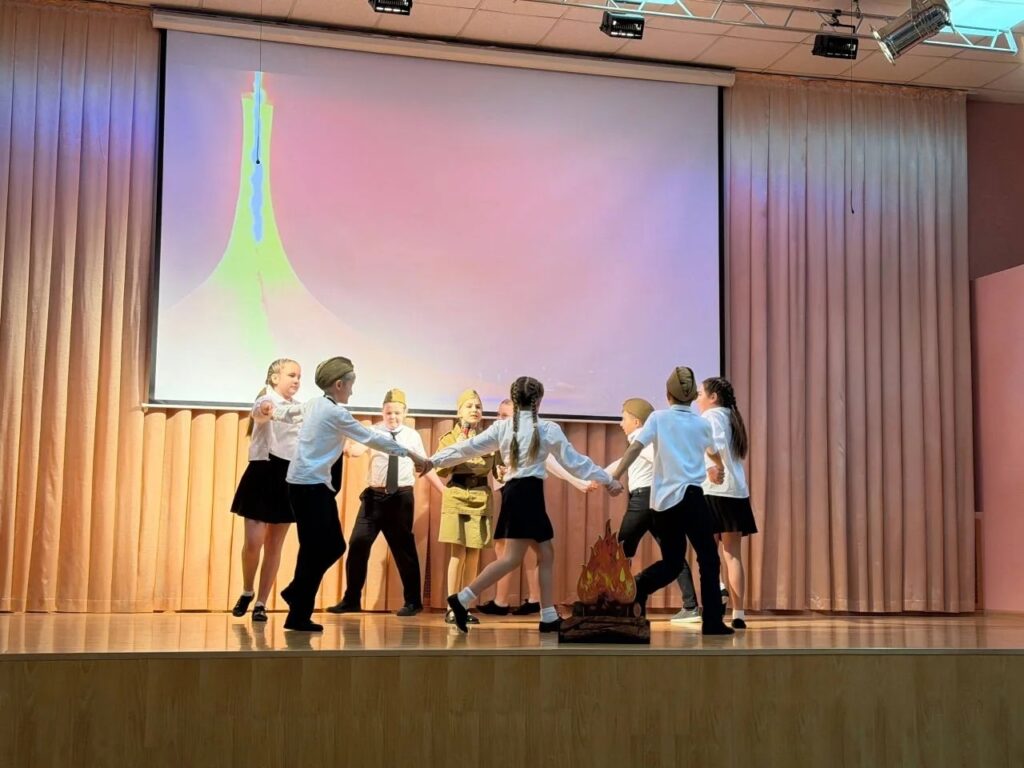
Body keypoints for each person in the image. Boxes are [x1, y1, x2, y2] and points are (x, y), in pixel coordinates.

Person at [433, 377, 623, 634]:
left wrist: (432, 460)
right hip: (528, 495)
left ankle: (547, 615)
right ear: (539, 401)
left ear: (514, 400)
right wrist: (608, 480)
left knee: (545, 553)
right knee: (513, 558)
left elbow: (467, 448)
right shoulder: (547, 429)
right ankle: (462, 599)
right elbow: (576, 462)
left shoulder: (503, 428)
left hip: (517, 494)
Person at [274, 356, 430, 632]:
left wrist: (269, 409)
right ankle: (298, 601)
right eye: (350, 384)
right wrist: (413, 455)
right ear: (339, 384)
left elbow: (287, 413)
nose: (352, 390)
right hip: (309, 487)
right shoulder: (335, 413)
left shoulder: (315, 404)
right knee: (325, 547)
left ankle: (297, 605)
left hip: (307, 486)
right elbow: (374, 439)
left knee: (321, 547)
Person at [611, 366, 733, 636]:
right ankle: (712, 622)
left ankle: (640, 586)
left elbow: (635, 448)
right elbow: (712, 451)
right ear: (692, 397)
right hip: (693, 498)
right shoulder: (701, 423)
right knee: (708, 560)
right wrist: (720, 466)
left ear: (668, 395)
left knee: (673, 562)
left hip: (665, 504)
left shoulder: (658, 418)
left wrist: (615, 476)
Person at [327, 388, 445, 617]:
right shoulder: (374, 432)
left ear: (405, 412)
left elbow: (424, 465)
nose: (393, 417)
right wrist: (344, 444)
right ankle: (351, 599)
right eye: (389, 413)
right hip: (374, 498)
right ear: (382, 412)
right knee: (358, 544)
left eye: (397, 413)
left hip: (400, 498)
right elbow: (356, 451)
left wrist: (442, 489)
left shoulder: (412, 436)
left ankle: (413, 602)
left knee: (404, 550)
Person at [477, 398, 593, 617]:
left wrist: (578, 482)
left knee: (514, 549)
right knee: (527, 548)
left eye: (505, 415)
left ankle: (497, 600)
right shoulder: (503, 435)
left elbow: (553, 462)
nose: (499, 419)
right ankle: (532, 600)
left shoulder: (527, 437)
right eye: (498, 415)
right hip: (509, 494)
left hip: (518, 497)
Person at [605, 397, 702, 623]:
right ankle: (689, 605)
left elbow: (659, 460)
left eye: (624, 418)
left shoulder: (643, 440)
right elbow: (622, 462)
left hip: (644, 501)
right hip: (656, 502)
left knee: (621, 551)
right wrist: (599, 477)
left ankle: (617, 601)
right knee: (672, 555)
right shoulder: (646, 440)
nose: (621, 423)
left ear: (637, 422)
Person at [229, 358, 301, 623]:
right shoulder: (264, 400)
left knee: (274, 545)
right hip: (263, 473)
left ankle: (261, 602)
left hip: (287, 476)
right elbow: (261, 411)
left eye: (299, 377)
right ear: (275, 378)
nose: (296, 380)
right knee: (253, 542)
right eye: (291, 375)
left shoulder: (299, 408)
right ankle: (247, 590)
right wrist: (267, 408)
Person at [694, 376, 757, 630]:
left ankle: (718, 592)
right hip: (736, 492)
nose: (697, 398)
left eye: (700, 394)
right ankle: (739, 613)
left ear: (713, 397)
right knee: (733, 555)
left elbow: (713, 446)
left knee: (708, 554)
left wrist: (712, 468)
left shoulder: (710, 417)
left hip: (713, 490)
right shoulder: (733, 417)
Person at [435, 389, 498, 626]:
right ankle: (451, 608)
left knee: (474, 554)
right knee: (458, 553)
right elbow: (441, 469)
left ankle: (465, 606)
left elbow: (499, 470)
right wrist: (460, 447)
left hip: (481, 496)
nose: (474, 410)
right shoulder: (449, 439)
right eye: (469, 406)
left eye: (478, 406)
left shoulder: (490, 438)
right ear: (459, 411)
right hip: (457, 495)